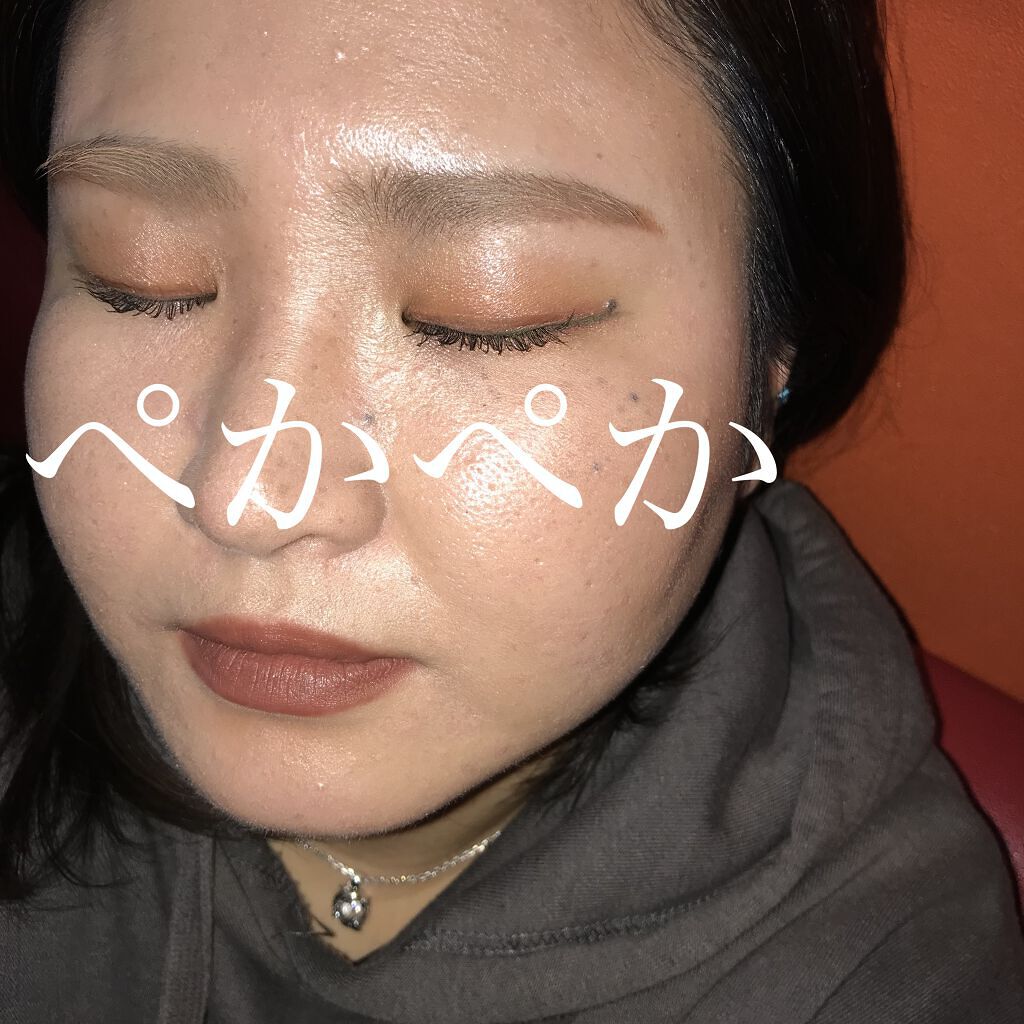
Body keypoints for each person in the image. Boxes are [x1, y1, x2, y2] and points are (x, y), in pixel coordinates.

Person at [1, 0, 1022, 1020]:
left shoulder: (880, 977)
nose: (250, 500)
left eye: (485, 314)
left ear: (770, 362)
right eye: (139, 274)